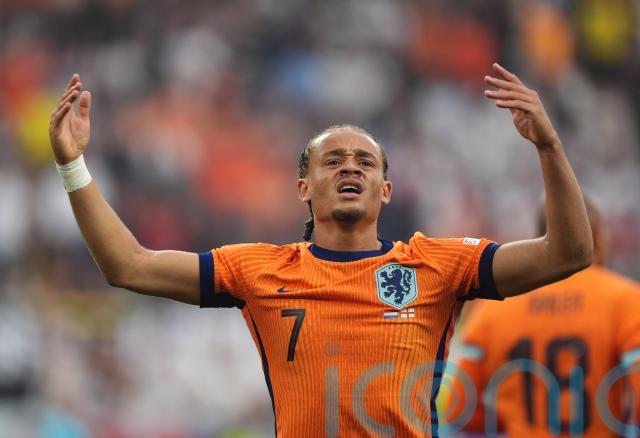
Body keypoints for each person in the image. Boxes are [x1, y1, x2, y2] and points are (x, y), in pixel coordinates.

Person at [48, 62, 592, 437]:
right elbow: (129, 265)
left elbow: (567, 253)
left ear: (386, 190)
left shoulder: (436, 265)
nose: (350, 167)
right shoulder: (259, 270)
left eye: (365, 162)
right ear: (304, 188)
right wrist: (72, 165)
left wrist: (548, 145)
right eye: (332, 161)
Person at [444, 196, 640, 437]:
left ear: (540, 240)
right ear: (597, 238)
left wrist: (515, 419)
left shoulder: (492, 310)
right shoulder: (626, 300)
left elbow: (460, 409)